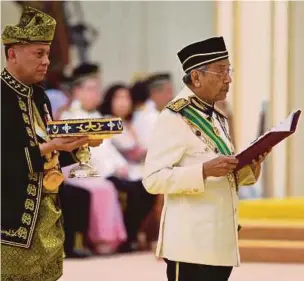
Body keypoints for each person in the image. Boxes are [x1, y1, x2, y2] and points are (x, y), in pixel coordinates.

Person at [143, 37, 269, 281]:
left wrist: (250, 167)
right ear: (196, 77)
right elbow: (152, 179)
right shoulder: (174, 117)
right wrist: (202, 171)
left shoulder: (217, 116)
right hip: (190, 245)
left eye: (229, 70)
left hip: (220, 241)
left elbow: (222, 174)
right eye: (221, 71)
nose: (228, 79)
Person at [1, 7, 102, 281]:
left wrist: (78, 147)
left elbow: (49, 155)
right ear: (12, 54)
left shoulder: (40, 97)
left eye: (47, 53)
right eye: (38, 53)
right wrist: (51, 146)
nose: (46, 61)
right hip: (10, 221)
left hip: (47, 215)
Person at [60, 63, 127, 255]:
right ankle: (96, 239)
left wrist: (119, 166)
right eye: (89, 90)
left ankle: (110, 240)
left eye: (96, 90)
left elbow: (108, 149)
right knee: (102, 188)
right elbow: (84, 151)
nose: (94, 94)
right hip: (75, 169)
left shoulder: (96, 116)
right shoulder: (68, 116)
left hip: (97, 169)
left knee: (107, 187)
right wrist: (107, 170)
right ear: (77, 92)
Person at [132, 73, 174, 149]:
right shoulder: (147, 117)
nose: (172, 97)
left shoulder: (163, 113)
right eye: (168, 92)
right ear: (154, 93)